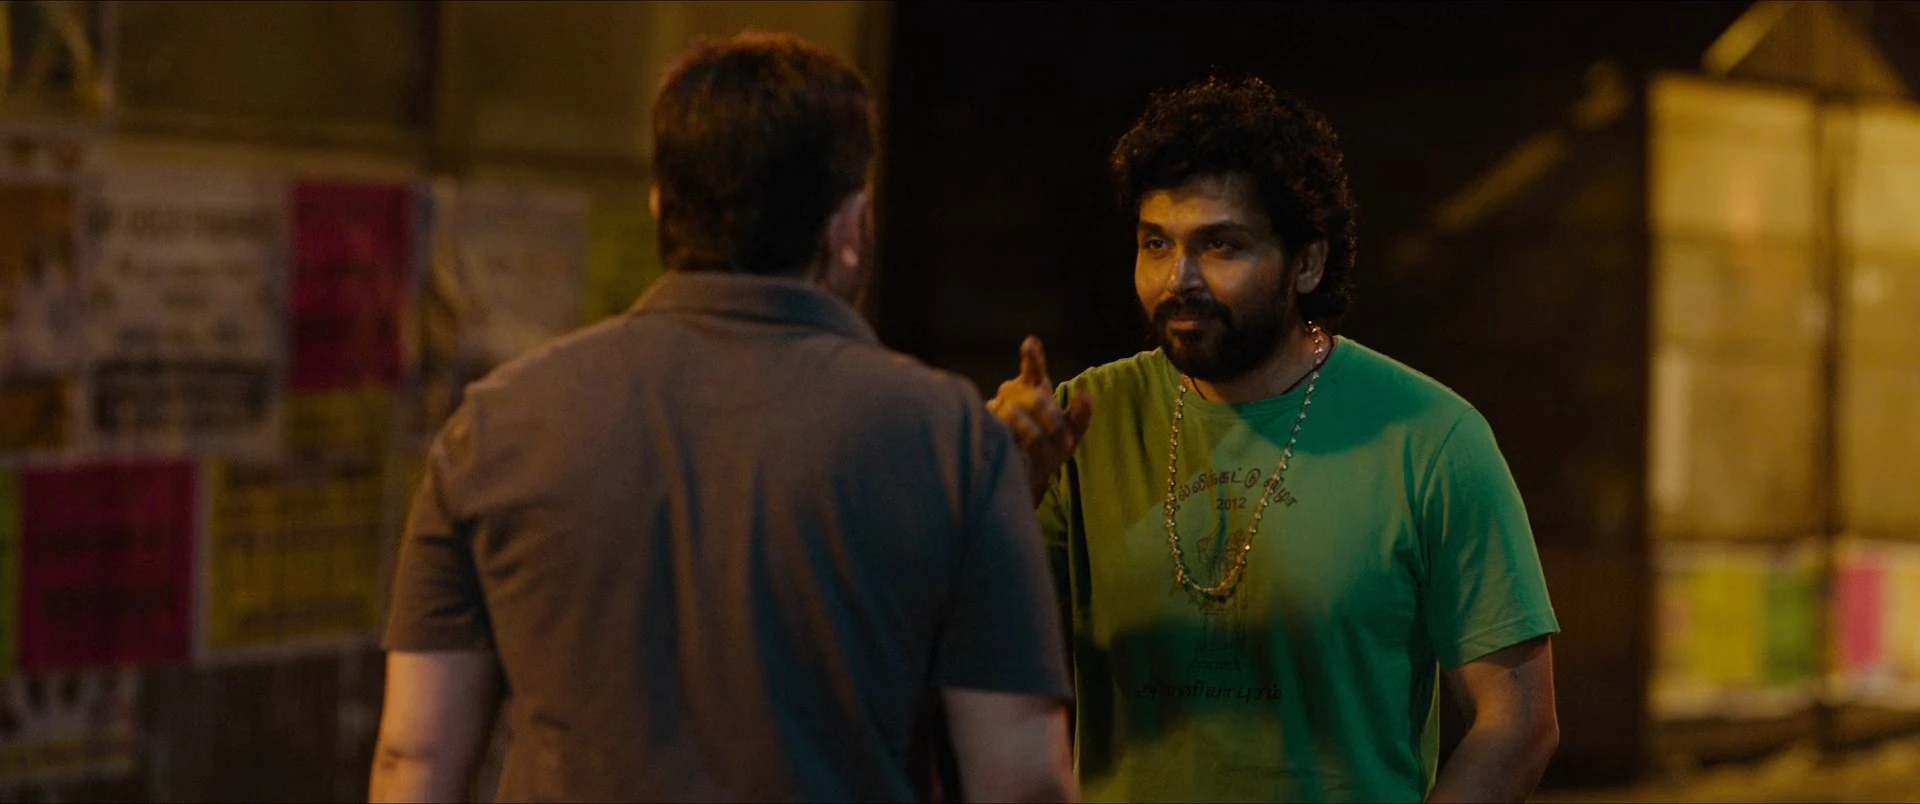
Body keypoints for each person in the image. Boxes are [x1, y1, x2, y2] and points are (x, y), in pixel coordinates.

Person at [371, 32, 1076, 803]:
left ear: (659, 208)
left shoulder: (494, 427)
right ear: (849, 229)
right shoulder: (950, 439)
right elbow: (1023, 779)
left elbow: (415, 758)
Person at [987, 76, 1560, 803]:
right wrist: (1001, 491)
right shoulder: (1079, 423)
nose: (1178, 279)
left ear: (1307, 263)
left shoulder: (1431, 438)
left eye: (1220, 245)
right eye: (1156, 243)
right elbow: (962, 658)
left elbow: (1519, 723)